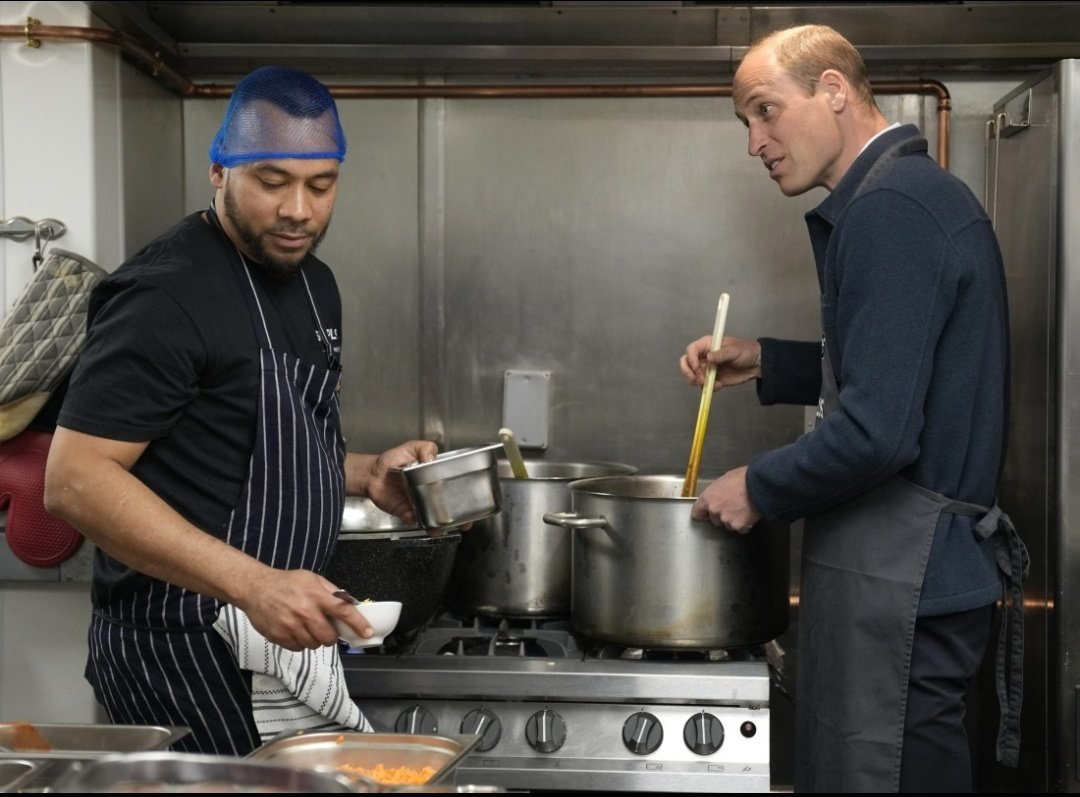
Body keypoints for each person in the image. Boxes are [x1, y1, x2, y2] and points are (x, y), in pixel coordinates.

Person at [43, 66, 436, 756]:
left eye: (321, 185)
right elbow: (75, 479)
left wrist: (368, 471)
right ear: (218, 173)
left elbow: (247, 445)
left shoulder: (313, 283)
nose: (299, 211)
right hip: (181, 651)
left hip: (279, 641)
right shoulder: (165, 293)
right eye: (272, 181)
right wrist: (254, 583)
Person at [678, 25, 1027, 793]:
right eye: (746, 123)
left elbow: (879, 430)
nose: (754, 143)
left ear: (833, 90)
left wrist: (756, 487)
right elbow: (908, 376)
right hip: (918, 583)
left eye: (765, 111)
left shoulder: (892, 209)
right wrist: (771, 359)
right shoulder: (910, 197)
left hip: (909, 589)